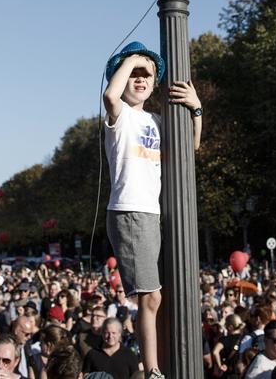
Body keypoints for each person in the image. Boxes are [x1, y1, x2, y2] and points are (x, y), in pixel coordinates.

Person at [102, 41, 202, 379]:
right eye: (134, 74)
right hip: (130, 211)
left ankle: (158, 363)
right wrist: (132, 59)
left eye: (147, 74)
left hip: (153, 213)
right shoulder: (121, 115)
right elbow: (110, 96)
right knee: (152, 298)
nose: (141, 78)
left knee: (161, 297)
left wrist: (196, 110)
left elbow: (190, 149)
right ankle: (153, 369)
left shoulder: (158, 120)